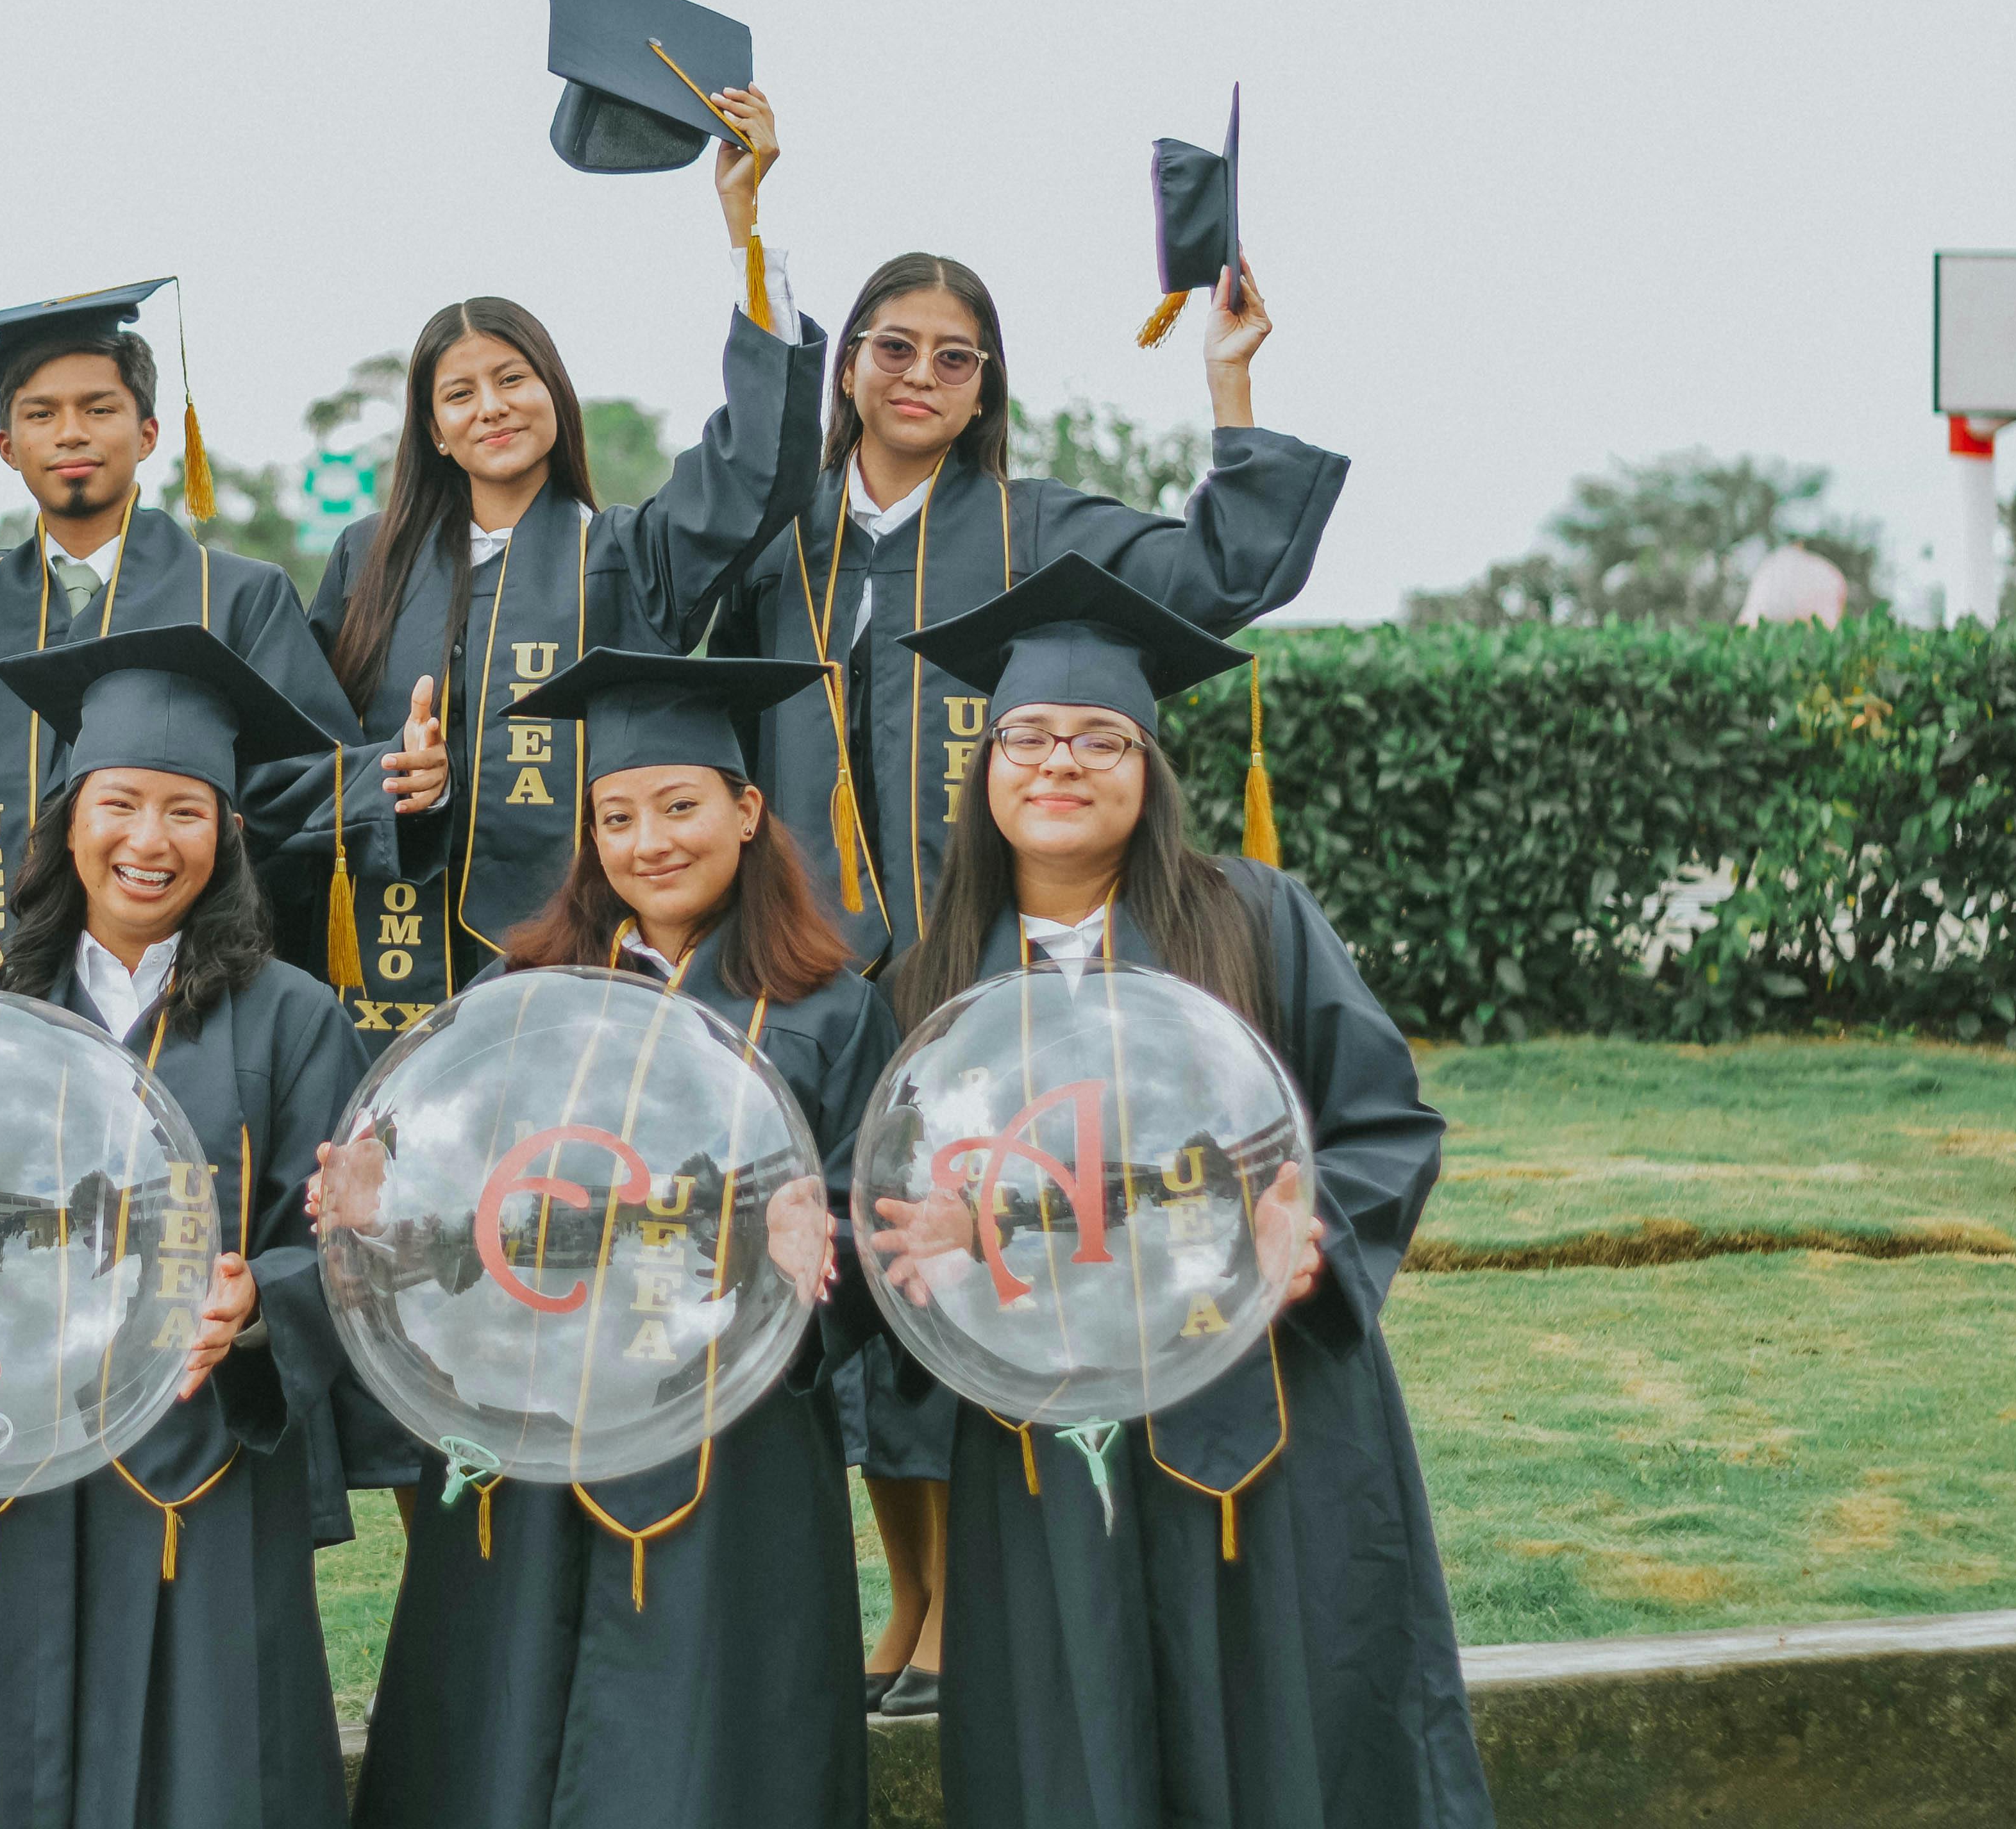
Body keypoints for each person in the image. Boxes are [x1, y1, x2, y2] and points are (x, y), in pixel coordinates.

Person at [710, 228, 1345, 1701]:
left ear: (982, 383)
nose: (918, 375)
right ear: (847, 365)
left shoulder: (1029, 529)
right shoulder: (777, 540)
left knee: (976, 1268)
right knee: (861, 1287)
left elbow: (1219, 569)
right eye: (889, 346)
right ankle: (909, 1587)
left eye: (952, 355)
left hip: (976, 968)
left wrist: (1228, 388)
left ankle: (955, 1609)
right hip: (809, 976)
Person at [874, 556, 1491, 1829]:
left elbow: (1382, 1119)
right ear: (984, 768)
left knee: (1284, 1727)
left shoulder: (1252, 916)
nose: (1061, 761)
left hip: (1265, 1410)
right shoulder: (930, 973)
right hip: (1045, 1426)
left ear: (1149, 766)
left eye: (1101, 737)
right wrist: (918, 1244)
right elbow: (886, 1193)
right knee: (1074, 1741)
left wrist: (1311, 1225)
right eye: (1029, 735)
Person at [0, 625, 369, 1829]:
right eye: (122, 804)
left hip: (197, 1471)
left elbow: (337, 1247)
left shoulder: (297, 1019)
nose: (151, 843)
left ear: (231, 836)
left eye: (187, 812)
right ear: (65, 819)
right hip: (1, 1461)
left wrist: (262, 1303)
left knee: (205, 1767)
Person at [342, 649, 899, 1829]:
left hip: (731, 1443)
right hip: (532, 1413)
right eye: (617, 816)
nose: (649, 841)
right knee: (501, 1723)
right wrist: (375, 1211)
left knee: (707, 1750)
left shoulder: (832, 1008)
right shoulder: (524, 997)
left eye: (680, 807)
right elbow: (460, 1196)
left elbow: (871, 1225)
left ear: (748, 812)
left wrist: (825, 1254)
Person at [301, 85, 825, 1047]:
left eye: (513, 378)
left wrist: (745, 226)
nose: (491, 407)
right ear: (435, 433)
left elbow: (759, 469)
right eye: (460, 394)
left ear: (555, 394)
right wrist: (387, 778)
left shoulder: (626, 555)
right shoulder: (366, 564)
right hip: (392, 950)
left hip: (585, 957)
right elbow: (297, 750)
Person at [0, 280, 429, 994]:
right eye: (41, 414)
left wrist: (400, 777)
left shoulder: (237, 597)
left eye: (99, 409)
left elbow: (302, 787)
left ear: (148, 434)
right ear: (7, 445)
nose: (70, 433)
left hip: (170, 997)